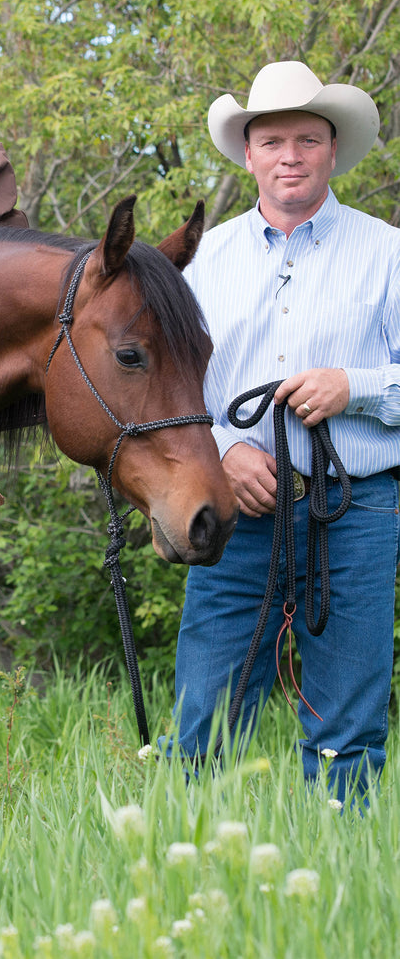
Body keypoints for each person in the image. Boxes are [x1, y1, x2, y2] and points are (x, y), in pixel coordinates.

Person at [171, 60, 400, 803]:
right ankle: (193, 869)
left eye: (307, 139)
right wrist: (224, 448)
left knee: (349, 724)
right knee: (205, 716)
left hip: (357, 507)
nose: (290, 156)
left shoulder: (389, 253)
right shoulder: (201, 262)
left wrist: (354, 387)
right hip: (239, 513)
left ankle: (335, 878)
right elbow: (170, 391)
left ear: (334, 150)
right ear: (249, 154)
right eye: (273, 141)